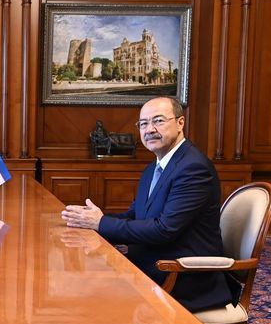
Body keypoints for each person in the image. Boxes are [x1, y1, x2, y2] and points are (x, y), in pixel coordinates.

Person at [61, 96, 238, 312]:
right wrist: (90, 220)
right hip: (152, 265)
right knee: (82, 280)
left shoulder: (193, 169)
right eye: (143, 124)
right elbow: (135, 216)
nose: (150, 129)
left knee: (89, 296)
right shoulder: (153, 168)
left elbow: (164, 230)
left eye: (158, 121)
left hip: (182, 277)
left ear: (180, 123)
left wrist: (101, 223)